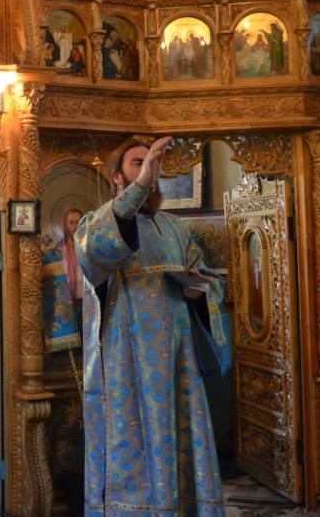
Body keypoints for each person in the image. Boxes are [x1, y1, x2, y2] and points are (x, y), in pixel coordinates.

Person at [75, 136, 227, 515]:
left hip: (178, 362)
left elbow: (210, 279)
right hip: (126, 365)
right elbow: (97, 253)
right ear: (117, 177)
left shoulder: (174, 227)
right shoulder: (95, 224)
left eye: (152, 164)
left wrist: (199, 290)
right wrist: (141, 186)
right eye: (138, 163)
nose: (149, 170)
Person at [42, 208, 84, 352]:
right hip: (67, 302)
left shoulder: (88, 248)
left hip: (85, 302)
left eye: (78, 222)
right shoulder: (59, 251)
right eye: (71, 222)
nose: (75, 226)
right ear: (65, 225)